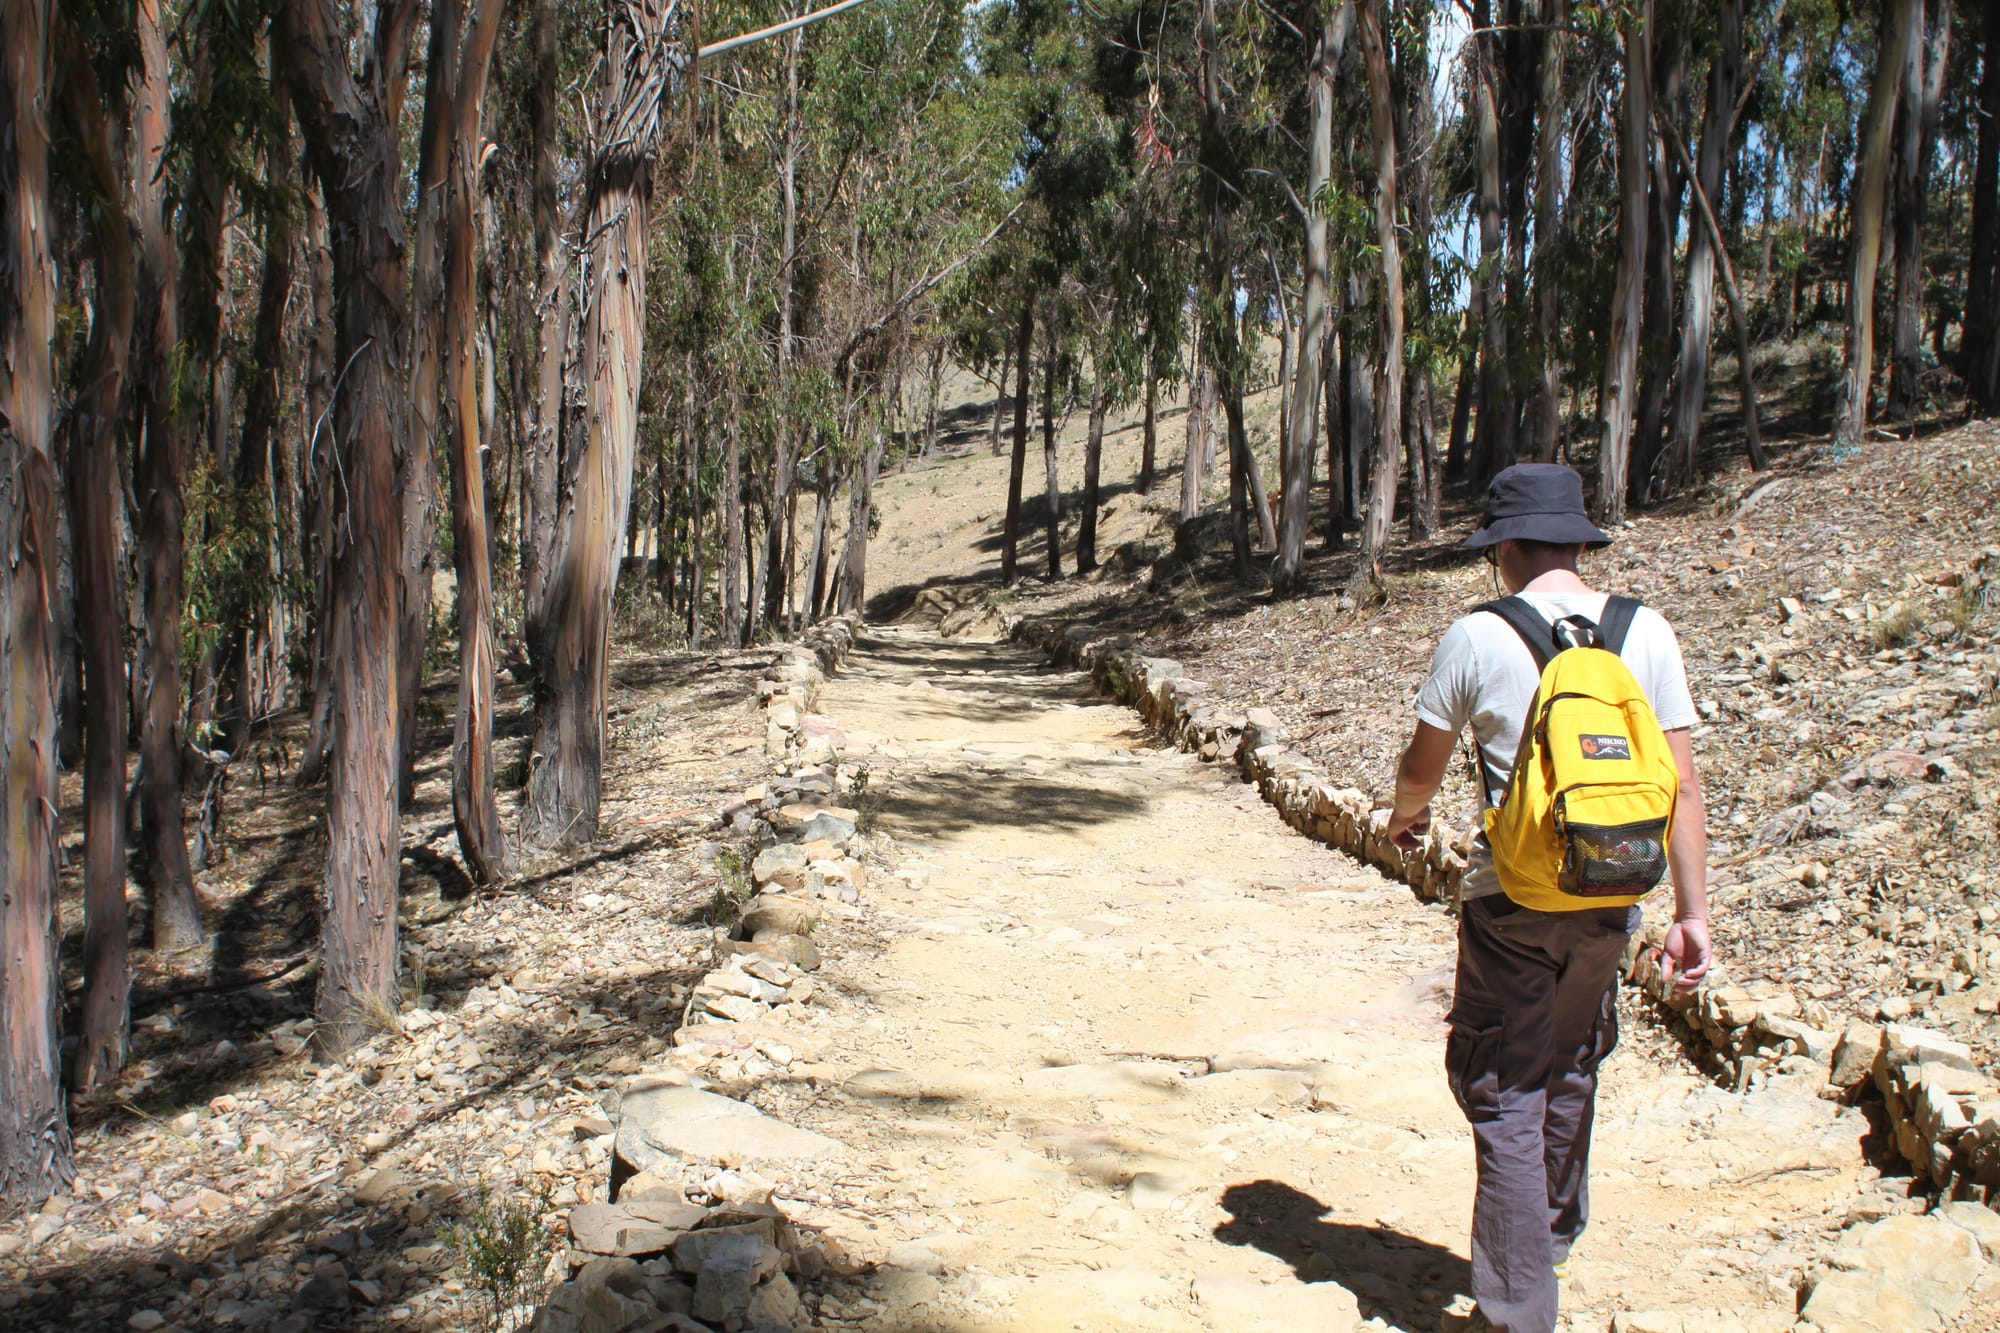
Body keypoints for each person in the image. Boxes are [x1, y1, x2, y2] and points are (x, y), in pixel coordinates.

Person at [1383, 464, 1711, 1333]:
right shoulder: (1647, 632)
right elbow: (1681, 782)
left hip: (1511, 903)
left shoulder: (1478, 636)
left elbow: (1422, 767)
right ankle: (1550, 1233)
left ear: (1505, 551)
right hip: (1611, 897)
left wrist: (1404, 820)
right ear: (1576, 541)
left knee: (1500, 1085)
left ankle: (1517, 1309)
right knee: (1570, 1059)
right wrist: (1692, 915)